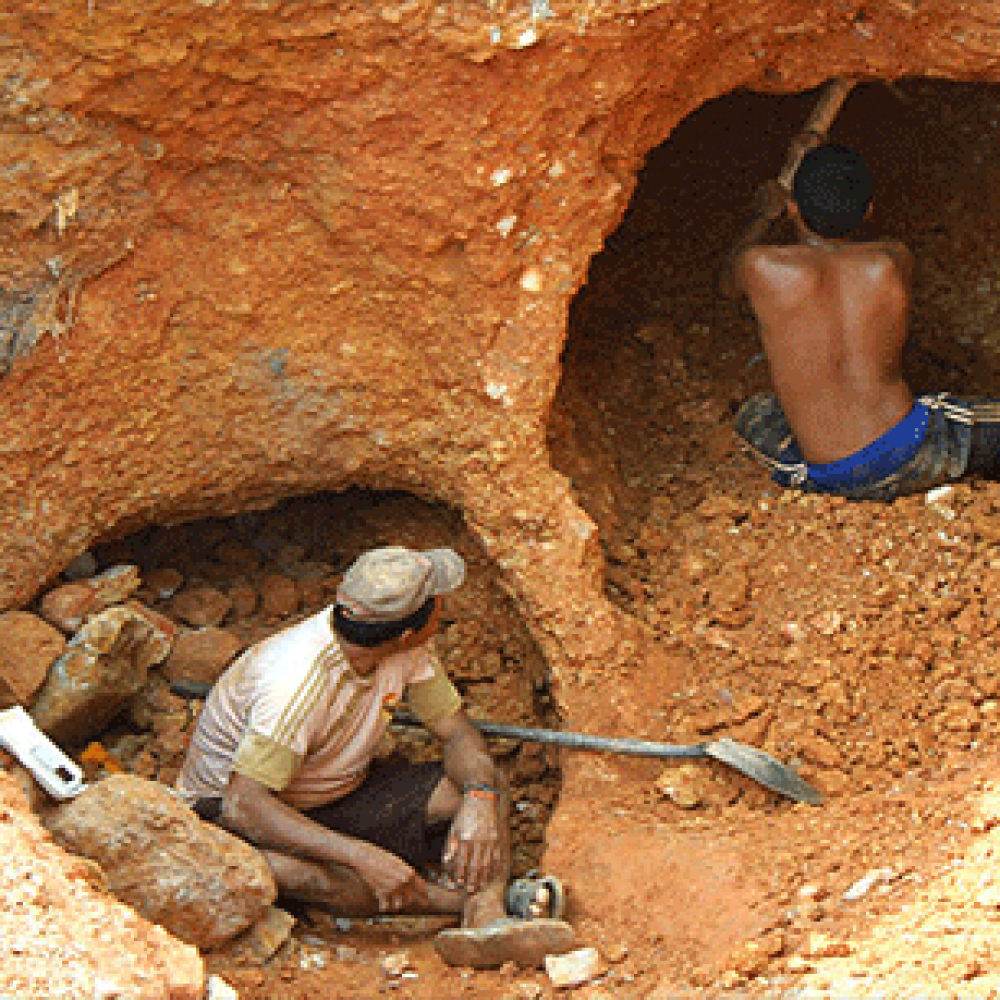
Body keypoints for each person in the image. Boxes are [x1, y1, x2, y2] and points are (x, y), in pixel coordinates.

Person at [174, 544, 574, 968]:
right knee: (311, 876)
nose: (442, 609)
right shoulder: (294, 684)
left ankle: (487, 915)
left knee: (484, 781)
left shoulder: (407, 652)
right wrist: (361, 855)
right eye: (436, 603)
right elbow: (244, 805)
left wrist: (479, 798)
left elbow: (457, 733)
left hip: (336, 793)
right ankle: (466, 906)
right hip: (235, 818)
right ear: (407, 630)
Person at [721, 140, 1000, 502]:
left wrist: (763, 214)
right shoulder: (893, 260)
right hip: (912, 454)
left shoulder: (759, 267)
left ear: (791, 208)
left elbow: (726, 282)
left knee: (756, 413)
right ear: (869, 211)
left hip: (831, 476)